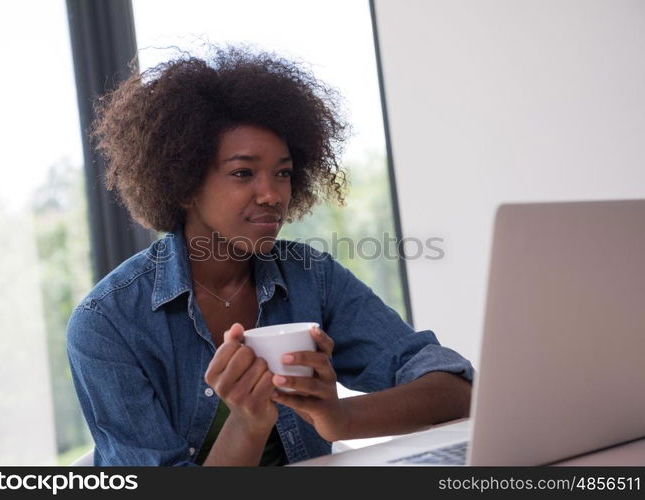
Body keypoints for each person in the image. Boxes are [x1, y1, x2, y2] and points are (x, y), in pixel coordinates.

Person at [66, 45, 474, 466]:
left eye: (282, 173)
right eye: (243, 173)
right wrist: (247, 422)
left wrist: (339, 417)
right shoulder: (107, 324)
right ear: (184, 183)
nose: (272, 194)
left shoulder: (311, 276)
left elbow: (456, 387)